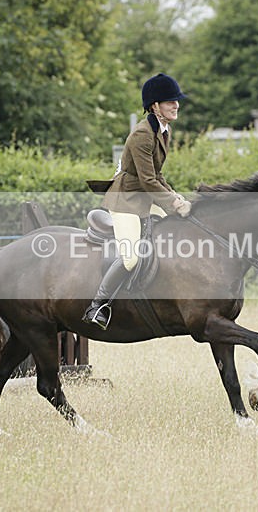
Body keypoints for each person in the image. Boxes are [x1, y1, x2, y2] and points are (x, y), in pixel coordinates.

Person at [82, 73, 192, 330]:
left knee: (174, 233)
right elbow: (147, 181)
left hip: (145, 196)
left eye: (177, 100)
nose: (176, 105)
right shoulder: (142, 134)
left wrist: (176, 197)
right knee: (130, 258)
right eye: (170, 101)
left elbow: (158, 175)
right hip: (127, 201)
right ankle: (97, 305)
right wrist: (174, 204)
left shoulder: (164, 130)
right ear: (155, 106)